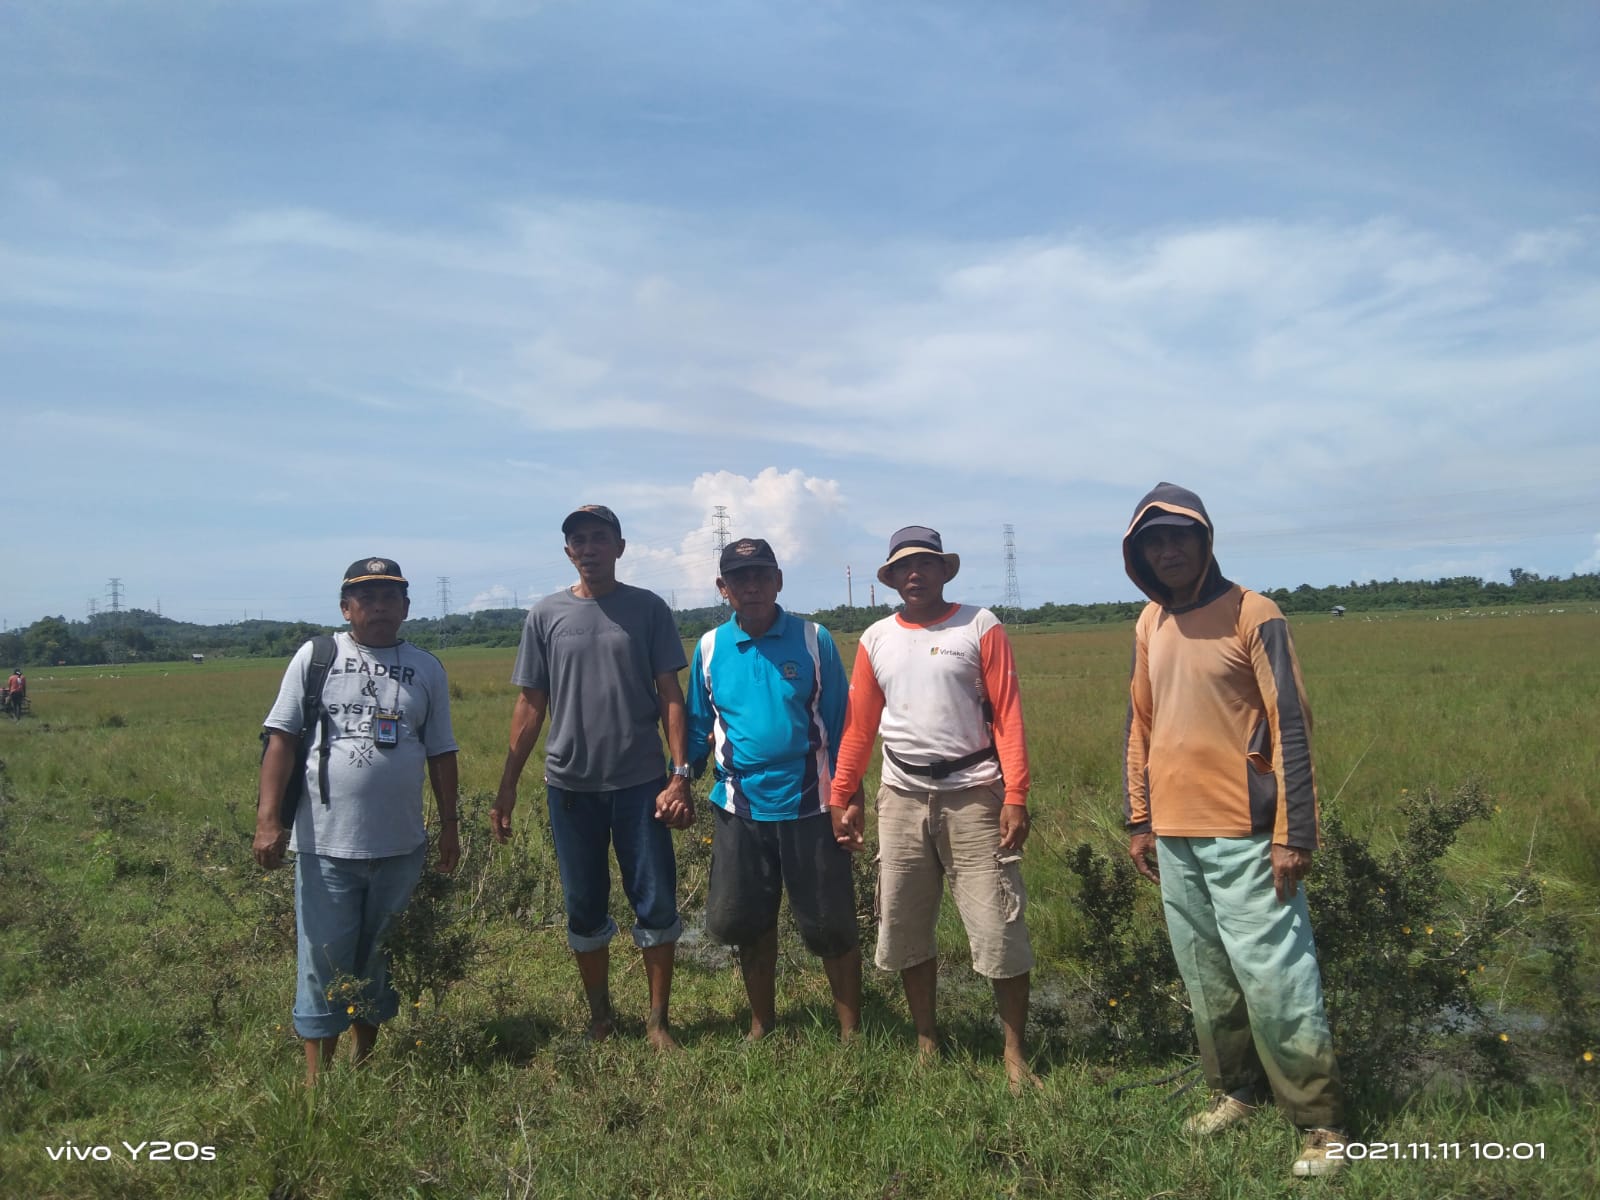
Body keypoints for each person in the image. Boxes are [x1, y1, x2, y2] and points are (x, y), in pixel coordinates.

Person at [1121, 482, 1346, 1178]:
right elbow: (1141, 723)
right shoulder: (1148, 622)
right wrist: (1139, 818)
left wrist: (1293, 832)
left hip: (1249, 835)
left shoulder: (1254, 612)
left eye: (1179, 536)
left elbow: (1292, 725)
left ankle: (1321, 1124)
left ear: (1205, 539)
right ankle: (1236, 1094)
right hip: (1175, 835)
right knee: (1207, 979)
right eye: (1153, 540)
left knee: (1277, 978)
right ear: (1139, 552)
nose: (1167, 550)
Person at [831, 526, 1040, 1092]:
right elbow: (859, 725)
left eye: (925, 564)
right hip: (900, 796)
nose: (915, 574)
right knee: (904, 922)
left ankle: (1014, 1054)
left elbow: (1008, 714)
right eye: (903, 567)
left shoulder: (980, 625)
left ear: (945, 571)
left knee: (998, 925)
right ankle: (928, 1039)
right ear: (893, 578)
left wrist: (1015, 795)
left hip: (974, 794)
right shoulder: (876, 637)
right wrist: (841, 795)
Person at [491, 505, 694, 1050]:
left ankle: (657, 1022)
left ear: (620, 547)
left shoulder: (647, 609)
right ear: (567, 552)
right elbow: (531, 704)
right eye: (578, 540)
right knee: (583, 904)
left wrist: (680, 776)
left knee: (655, 900)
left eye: (600, 538)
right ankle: (600, 1018)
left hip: (641, 782)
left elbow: (670, 695)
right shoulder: (545, 615)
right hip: (571, 785)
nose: (589, 548)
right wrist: (508, 781)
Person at [255, 557, 461, 1087]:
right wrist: (268, 821)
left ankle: (364, 1063)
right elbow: (281, 739)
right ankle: (315, 1081)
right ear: (346, 607)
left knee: (380, 957)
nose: (378, 606)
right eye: (366, 597)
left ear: (407, 608)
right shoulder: (316, 657)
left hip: (401, 847)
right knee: (322, 959)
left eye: (389, 596)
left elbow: (441, 753)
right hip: (325, 846)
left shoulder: (427, 668)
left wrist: (449, 827)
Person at [686, 537, 862, 1041]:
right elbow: (698, 729)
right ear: (724, 588)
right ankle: (762, 1023)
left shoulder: (813, 639)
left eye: (763, 575)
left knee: (831, 924)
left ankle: (851, 1031)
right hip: (740, 808)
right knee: (749, 921)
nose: (753, 586)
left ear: (779, 580)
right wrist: (679, 782)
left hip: (811, 804)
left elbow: (842, 726)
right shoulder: (710, 647)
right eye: (740, 578)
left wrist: (848, 798)